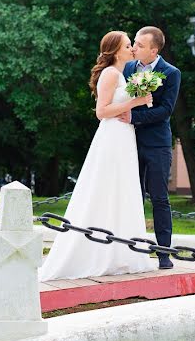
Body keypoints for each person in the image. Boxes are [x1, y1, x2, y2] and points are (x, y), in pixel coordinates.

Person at [39, 31, 158, 280]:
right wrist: (134, 103)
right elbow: (101, 111)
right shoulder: (110, 73)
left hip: (124, 137)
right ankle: (95, 254)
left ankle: (120, 253)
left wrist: (140, 100)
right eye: (128, 45)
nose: (132, 49)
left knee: (121, 190)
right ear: (116, 51)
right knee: (105, 189)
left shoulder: (123, 74)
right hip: (112, 137)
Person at [120, 26, 181, 270]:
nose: (134, 48)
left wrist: (134, 117)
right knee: (130, 197)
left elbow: (166, 110)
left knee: (159, 198)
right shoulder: (127, 68)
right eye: (134, 43)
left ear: (154, 50)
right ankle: (128, 252)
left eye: (140, 45)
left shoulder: (171, 72)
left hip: (157, 144)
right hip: (128, 142)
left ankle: (164, 254)